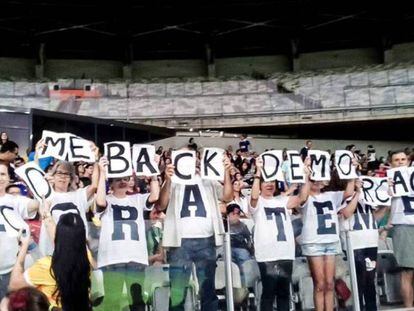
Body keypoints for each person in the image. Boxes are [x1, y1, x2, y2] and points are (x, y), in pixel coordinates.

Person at [159, 151, 233, 311]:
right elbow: (161, 204)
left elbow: (227, 196)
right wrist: (167, 180)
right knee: (178, 292)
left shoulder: (209, 180)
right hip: (179, 242)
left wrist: (226, 172)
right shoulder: (174, 181)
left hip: (206, 240)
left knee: (208, 292)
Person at [95, 156, 160, 311]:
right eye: (118, 179)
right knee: (113, 302)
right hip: (112, 259)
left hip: (135, 258)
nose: (122, 181)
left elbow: (155, 196)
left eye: (125, 178)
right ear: (111, 182)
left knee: (137, 302)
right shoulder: (106, 199)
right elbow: (100, 203)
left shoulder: (137, 199)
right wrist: (102, 173)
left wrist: (154, 173)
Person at [251, 157, 311, 311]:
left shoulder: (282, 200)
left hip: (285, 252)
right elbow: (254, 197)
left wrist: (305, 177)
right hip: (267, 255)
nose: (269, 185)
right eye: (266, 182)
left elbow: (302, 197)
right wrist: (258, 171)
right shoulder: (256, 203)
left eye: (272, 181)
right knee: (269, 293)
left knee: (284, 292)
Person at [9, 210, 92, 311]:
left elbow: (14, 285)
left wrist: (23, 247)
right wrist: (47, 216)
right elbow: (68, 242)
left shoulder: (46, 266)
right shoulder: (88, 259)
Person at [300, 172, 355, 311]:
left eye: (319, 179)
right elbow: (302, 197)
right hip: (313, 242)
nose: (316, 182)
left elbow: (349, 192)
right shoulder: (304, 198)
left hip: (331, 241)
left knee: (330, 283)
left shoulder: (331, 195)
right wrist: (306, 175)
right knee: (319, 284)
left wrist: (350, 170)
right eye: (313, 180)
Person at [34, 139, 99, 256]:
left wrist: (95, 160)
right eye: (59, 173)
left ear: (71, 178)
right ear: (52, 176)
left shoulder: (79, 195)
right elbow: (35, 175)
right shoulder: (45, 195)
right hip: (50, 253)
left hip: (77, 252)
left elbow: (94, 185)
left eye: (67, 174)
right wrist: (37, 153)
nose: (63, 177)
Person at [339, 179, 386, 311]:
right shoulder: (342, 195)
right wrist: (357, 193)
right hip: (353, 241)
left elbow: (374, 219)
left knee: (370, 279)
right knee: (359, 279)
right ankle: (358, 307)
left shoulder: (368, 196)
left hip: (370, 239)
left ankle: (372, 308)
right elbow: (347, 213)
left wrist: (385, 205)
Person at [0, 161, 39, 300]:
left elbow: (35, 205)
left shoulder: (14, 201)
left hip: (10, 270)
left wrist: (40, 183)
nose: (0, 177)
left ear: (9, 178)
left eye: (3, 174)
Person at [386, 150, 414, 307]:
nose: (401, 162)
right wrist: (387, 189)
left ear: (409, 161)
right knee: (407, 271)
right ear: (391, 163)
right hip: (403, 224)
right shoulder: (387, 181)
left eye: (403, 159)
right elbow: (381, 203)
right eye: (397, 160)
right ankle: (409, 307)